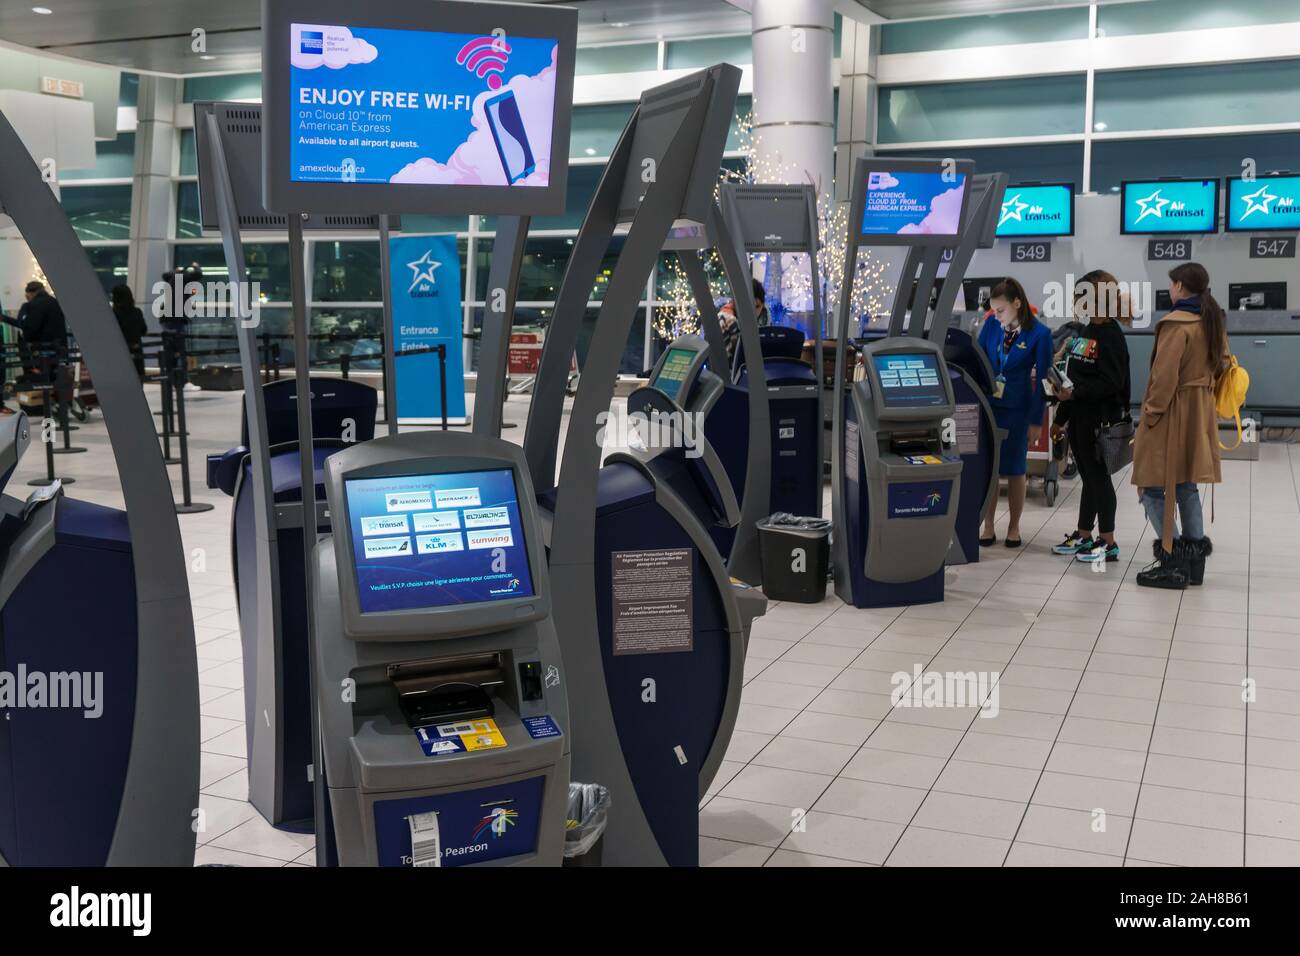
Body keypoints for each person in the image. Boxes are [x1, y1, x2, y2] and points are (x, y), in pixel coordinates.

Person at [1131, 262, 1228, 589]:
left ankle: (1172, 561)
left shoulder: (1176, 325)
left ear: (1181, 288)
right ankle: (1194, 562)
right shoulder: (1212, 320)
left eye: (1172, 285)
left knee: (1149, 484)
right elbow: (1224, 364)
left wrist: (1151, 412)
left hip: (1172, 412)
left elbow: (1164, 378)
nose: (1170, 290)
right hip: (1200, 411)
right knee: (1186, 485)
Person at [1051, 270, 1131, 563]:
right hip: (1080, 419)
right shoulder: (1086, 332)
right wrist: (1061, 417)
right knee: (1089, 479)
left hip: (1100, 421)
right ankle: (1084, 535)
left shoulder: (1111, 336)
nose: (1076, 300)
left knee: (1100, 479)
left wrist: (1075, 394)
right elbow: (1075, 377)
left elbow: (1112, 383)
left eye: (1081, 295)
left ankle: (1107, 541)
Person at [976, 278, 1053, 548]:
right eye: (994, 311)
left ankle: (1014, 526)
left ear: (1017, 304)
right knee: (989, 469)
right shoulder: (990, 327)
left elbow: (1044, 381)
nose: (996, 316)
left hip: (1018, 410)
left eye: (1001, 310)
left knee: (1016, 469)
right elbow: (977, 359)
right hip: (988, 408)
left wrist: (1036, 419)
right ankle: (987, 525)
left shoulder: (1040, 335)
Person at [719, 278, 769, 366]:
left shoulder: (764, 317)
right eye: (749, 306)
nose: (754, 312)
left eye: (757, 306)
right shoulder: (728, 321)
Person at [111, 284, 148, 378]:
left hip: (121, 351)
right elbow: (143, 330)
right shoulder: (137, 312)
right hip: (137, 350)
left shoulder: (113, 314)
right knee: (139, 379)